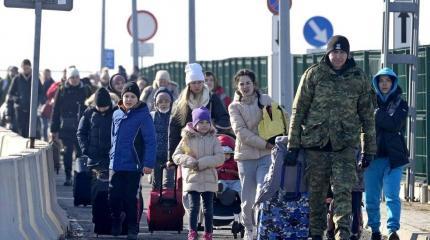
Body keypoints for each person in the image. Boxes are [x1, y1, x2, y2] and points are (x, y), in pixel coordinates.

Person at [286, 35, 376, 240]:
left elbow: (367, 116)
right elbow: (298, 110)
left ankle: (341, 234)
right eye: (334, 52)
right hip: (316, 146)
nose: (338, 57)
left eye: (342, 52)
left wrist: (369, 149)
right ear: (328, 53)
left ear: (348, 54)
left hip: (344, 146)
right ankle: (316, 234)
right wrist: (293, 144)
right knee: (316, 196)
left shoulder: (359, 78)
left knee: (343, 193)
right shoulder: (314, 75)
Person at [228, 69, 273, 240]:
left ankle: (262, 227)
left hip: (266, 154)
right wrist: (265, 142)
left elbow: (281, 118)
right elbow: (241, 132)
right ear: (237, 87)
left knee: (263, 191)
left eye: (248, 83)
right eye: (241, 84)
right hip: (245, 157)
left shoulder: (266, 99)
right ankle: (249, 228)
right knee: (247, 199)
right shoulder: (234, 107)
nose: (245, 86)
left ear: (254, 84)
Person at [363, 67, 408, 240]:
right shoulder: (367, 102)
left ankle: (392, 230)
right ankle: (375, 229)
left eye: (388, 81)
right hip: (372, 157)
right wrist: (382, 117)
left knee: (391, 196)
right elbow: (365, 127)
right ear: (376, 83)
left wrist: (376, 114)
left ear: (393, 83)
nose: (384, 84)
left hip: (393, 159)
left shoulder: (401, 103)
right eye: (381, 80)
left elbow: (395, 125)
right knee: (372, 198)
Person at [109, 81, 156, 239]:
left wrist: (148, 164)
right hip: (116, 164)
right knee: (114, 195)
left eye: (132, 96)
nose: (129, 99)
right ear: (122, 97)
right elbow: (113, 137)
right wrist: (111, 155)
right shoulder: (116, 114)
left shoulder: (144, 116)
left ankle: (132, 228)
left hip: (134, 165)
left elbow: (151, 141)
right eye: (126, 96)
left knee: (130, 197)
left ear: (138, 98)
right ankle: (116, 218)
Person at [172, 107, 224, 240]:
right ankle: (192, 231)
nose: (204, 125)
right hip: (192, 178)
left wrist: (203, 162)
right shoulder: (186, 139)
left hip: (209, 179)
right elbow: (176, 156)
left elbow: (220, 158)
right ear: (195, 123)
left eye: (207, 122)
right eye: (201, 122)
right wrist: (189, 161)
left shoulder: (214, 139)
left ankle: (208, 233)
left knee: (208, 209)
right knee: (193, 207)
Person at [168, 63, 231, 167]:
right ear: (188, 84)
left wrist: (212, 130)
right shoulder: (181, 102)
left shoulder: (211, 98)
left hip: (208, 147)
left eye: (199, 82)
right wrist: (170, 158)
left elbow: (224, 118)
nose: (197, 85)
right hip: (188, 149)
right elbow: (174, 129)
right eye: (193, 83)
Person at [50, 66, 91, 186]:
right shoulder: (62, 90)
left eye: (77, 77)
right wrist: (54, 129)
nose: (75, 79)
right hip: (66, 127)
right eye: (72, 77)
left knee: (81, 153)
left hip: (82, 127)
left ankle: (80, 176)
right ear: (68, 78)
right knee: (67, 153)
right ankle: (68, 176)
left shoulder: (86, 89)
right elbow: (55, 110)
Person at [77, 87, 114, 171]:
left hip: (111, 158)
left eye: (104, 107)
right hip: (93, 158)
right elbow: (81, 132)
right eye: (99, 107)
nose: (102, 109)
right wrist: (85, 149)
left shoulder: (115, 113)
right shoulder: (88, 113)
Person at [6, 59, 43, 138]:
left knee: (31, 132)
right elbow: (10, 95)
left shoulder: (35, 79)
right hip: (19, 110)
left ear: (30, 68)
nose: (25, 70)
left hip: (31, 111)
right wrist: (9, 112)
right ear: (21, 68)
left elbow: (41, 93)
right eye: (24, 68)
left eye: (27, 68)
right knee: (20, 131)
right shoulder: (17, 79)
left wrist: (36, 103)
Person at [150, 87, 174, 190]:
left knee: (169, 183)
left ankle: (169, 204)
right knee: (156, 183)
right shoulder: (152, 116)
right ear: (155, 103)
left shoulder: (174, 117)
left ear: (171, 102)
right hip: (156, 155)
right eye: (160, 101)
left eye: (166, 101)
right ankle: (156, 203)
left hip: (171, 156)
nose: (163, 104)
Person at [38, 68, 55, 141]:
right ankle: (44, 139)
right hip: (42, 106)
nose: (47, 75)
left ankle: (48, 139)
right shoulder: (40, 82)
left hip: (50, 107)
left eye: (48, 74)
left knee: (49, 125)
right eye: (45, 74)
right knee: (43, 125)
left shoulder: (52, 83)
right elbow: (39, 94)